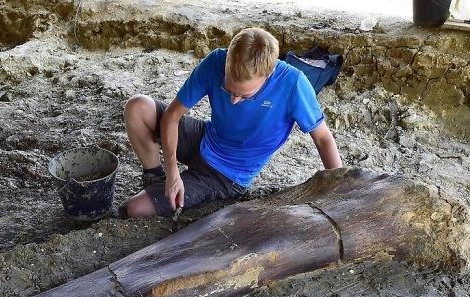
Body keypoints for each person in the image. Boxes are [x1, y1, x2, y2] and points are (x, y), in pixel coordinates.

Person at [122, 27, 342, 218]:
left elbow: (323, 139)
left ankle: (170, 191)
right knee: (138, 107)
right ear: (227, 59)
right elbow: (171, 117)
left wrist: (341, 190)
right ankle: (154, 177)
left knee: (134, 208)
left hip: (227, 175)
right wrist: (171, 172)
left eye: (244, 96)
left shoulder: (293, 84)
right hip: (206, 138)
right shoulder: (216, 61)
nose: (234, 100)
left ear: (269, 73)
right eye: (228, 89)